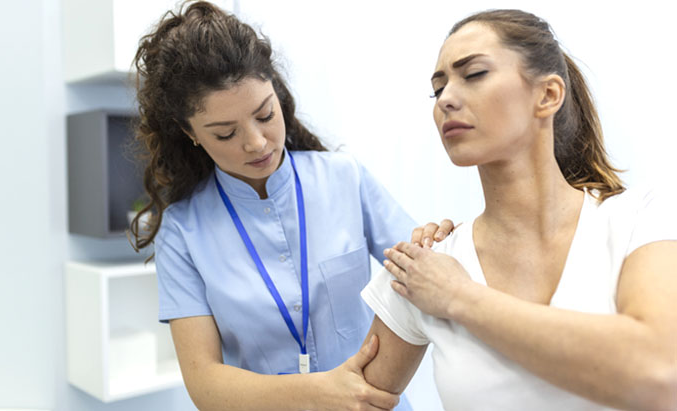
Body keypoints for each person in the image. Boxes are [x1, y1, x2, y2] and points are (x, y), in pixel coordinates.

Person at [127, 2, 453, 410]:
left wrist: (441, 243)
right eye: (225, 134)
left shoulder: (344, 178)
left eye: (265, 114)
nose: (257, 142)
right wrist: (321, 393)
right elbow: (205, 384)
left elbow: (422, 273)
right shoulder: (182, 230)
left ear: (277, 95)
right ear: (189, 133)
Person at [359, 9, 677, 411]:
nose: (447, 100)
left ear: (547, 95)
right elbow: (356, 398)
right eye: (437, 89)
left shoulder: (639, 219)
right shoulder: (427, 266)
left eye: (473, 74)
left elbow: (661, 376)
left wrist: (460, 298)